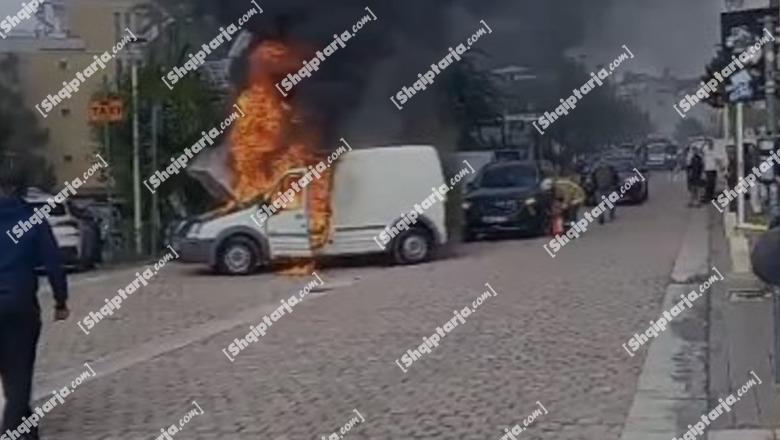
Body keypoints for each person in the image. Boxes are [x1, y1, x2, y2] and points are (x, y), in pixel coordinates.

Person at [0, 162, 69, 440]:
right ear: (22, 189)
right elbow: (53, 264)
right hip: (20, 307)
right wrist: (60, 301)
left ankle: (26, 429)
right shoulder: (33, 219)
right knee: (19, 376)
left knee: (10, 376)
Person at [590, 159, 619, 224]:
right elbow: (592, 179)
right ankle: (602, 217)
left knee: (610, 203)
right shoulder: (595, 171)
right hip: (600, 189)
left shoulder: (611, 170)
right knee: (601, 204)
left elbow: (616, 178)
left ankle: (610, 215)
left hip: (608, 188)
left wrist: (615, 185)